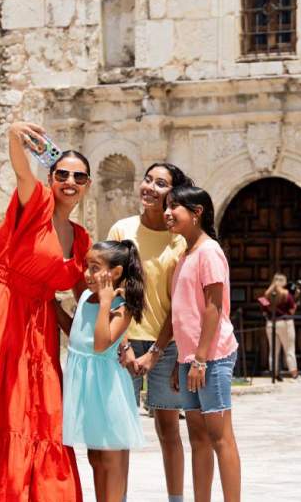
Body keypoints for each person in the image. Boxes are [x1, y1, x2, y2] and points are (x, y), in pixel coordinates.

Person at [0, 121, 93, 502]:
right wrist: (14, 136)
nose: (69, 181)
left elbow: (86, 298)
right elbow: (21, 170)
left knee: (43, 410)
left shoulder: (83, 239)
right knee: (1, 406)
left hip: (39, 323)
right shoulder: (37, 200)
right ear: (52, 176)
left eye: (79, 176)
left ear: (88, 185)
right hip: (1, 310)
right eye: (62, 173)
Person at [108, 162, 192, 502]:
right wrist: (124, 343)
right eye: (147, 179)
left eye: (160, 183)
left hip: (165, 343)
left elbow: (180, 303)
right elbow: (111, 288)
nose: (150, 187)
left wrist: (157, 351)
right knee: (121, 431)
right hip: (121, 341)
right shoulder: (120, 230)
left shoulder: (180, 240)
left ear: (172, 193)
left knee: (169, 429)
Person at [166, 185, 241, 502]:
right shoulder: (186, 254)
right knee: (197, 436)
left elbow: (213, 308)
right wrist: (180, 359)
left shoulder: (209, 252)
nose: (167, 212)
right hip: (190, 359)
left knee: (220, 436)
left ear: (196, 213)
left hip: (211, 357)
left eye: (175, 207)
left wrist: (199, 359)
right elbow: (184, 312)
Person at [62, 240, 146, 502]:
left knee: (110, 456)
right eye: (87, 266)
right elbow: (76, 334)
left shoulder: (121, 307)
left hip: (106, 390)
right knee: (95, 456)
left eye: (95, 267)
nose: (87, 274)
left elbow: (100, 345)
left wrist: (105, 302)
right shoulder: (86, 296)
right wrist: (51, 306)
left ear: (116, 272)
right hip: (84, 388)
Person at [260, 273, 300, 381]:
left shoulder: (266, 294)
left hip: (270, 323)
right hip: (285, 323)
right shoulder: (287, 294)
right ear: (284, 282)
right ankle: (294, 374)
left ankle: (274, 373)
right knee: (289, 349)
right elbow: (292, 310)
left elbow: (263, 307)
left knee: (273, 350)